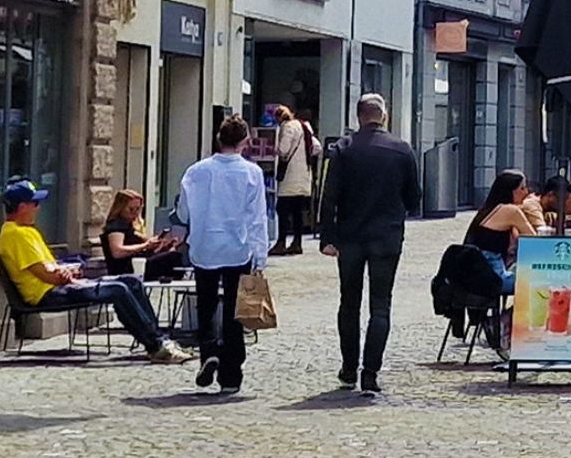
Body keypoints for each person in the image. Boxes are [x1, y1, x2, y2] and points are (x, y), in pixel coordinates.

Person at [0, 182, 188, 363]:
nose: (38, 207)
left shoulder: (27, 231)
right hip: (47, 294)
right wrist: (65, 275)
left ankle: (160, 338)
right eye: (35, 203)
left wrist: (67, 269)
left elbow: (49, 265)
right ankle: (156, 346)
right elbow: (45, 274)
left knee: (131, 281)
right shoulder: (15, 234)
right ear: (22, 207)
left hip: (60, 285)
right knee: (118, 289)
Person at [319, 93, 420, 397]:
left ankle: (349, 367)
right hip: (386, 238)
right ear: (384, 116)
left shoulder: (343, 149)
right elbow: (414, 199)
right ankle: (371, 373)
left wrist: (327, 237)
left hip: (350, 237)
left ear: (358, 116)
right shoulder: (401, 149)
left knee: (348, 303)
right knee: (381, 305)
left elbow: (329, 196)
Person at [176, 115, 271, 395]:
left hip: (204, 246)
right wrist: (260, 255)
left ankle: (209, 352)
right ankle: (231, 374)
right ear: (244, 141)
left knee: (205, 305)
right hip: (237, 247)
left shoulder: (196, 171)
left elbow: (183, 212)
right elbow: (257, 218)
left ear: (219, 138)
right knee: (234, 311)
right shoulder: (251, 173)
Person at [465, 170, 538, 294]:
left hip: (473, 273)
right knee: (538, 279)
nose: (526, 193)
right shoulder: (511, 211)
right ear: (511, 191)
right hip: (494, 277)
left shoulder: (488, 209)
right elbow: (534, 239)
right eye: (522, 188)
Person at [101, 189, 182, 281]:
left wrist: (164, 246)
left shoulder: (129, 226)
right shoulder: (117, 226)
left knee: (173, 256)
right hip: (127, 268)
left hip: (138, 264)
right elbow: (117, 251)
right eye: (131, 209)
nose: (135, 213)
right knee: (174, 257)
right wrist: (145, 245)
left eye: (138, 209)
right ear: (120, 208)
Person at [270, 101, 316, 256]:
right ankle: (297, 242)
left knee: (282, 209)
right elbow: (316, 147)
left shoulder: (287, 127)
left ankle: (281, 242)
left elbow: (283, 150)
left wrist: (275, 150)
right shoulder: (304, 126)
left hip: (290, 177)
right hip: (304, 176)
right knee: (297, 212)